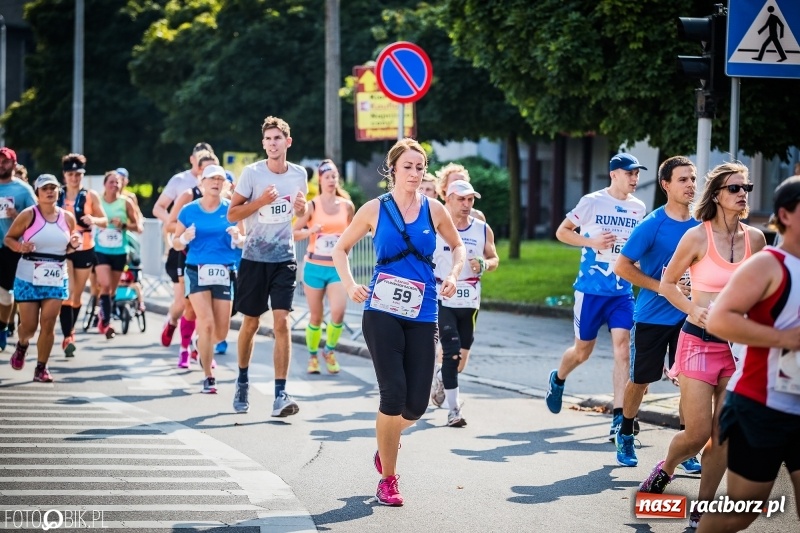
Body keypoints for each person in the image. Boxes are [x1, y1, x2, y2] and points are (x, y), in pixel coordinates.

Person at [332, 138, 465, 506]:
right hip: (381, 310)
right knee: (392, 394)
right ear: (392, 170)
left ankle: (386, 440)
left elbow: (458, 245)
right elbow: (340, 248)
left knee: (416, 407)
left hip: (423, 313)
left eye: (420, 167)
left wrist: (453, 273)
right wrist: (349, 284)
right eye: (408, 166)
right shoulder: (375, 209)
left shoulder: (435, 209)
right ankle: (388, 479)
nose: (415, 173)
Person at [638, 162, 766, 530]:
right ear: (717, 195)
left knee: (723, 434)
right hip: (698, 341)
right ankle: (666, 468)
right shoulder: (696, 237)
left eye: (747, 187)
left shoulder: (756, 240)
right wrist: (695, 309)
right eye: (734, 188)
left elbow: (763, 288)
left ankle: (702, 509)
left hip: (738, 348)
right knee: (696, 434)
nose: (743, 194)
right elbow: (668, 283)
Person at [699, 176, 800, 533]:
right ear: (786, 215)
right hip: (762, 406)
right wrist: (784, 337)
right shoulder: (770, 263)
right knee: (739, 514)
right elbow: (720, 320)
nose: (742, 194)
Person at [545, 153, 646, 438]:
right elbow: (562, 232)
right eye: (630, 173)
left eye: (637, 174)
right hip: (590, 291)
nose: (635, 179)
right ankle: (559, 378)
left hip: (621, 291)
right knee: (582, 351)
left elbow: (634, 247)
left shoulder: (639, 208)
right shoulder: (592, 201)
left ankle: (618, 417)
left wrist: (637, 263)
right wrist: (591, 241)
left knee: (623, 349)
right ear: (614, 174)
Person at [613, 156, 702, 470]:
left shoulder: (701, 226)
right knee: (640, 381)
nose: (691, 184)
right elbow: (622, 267)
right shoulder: (652, 225)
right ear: (666, 185)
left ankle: (687, 446)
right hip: (651, 317)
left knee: (691, 383)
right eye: (683, 179)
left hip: (688, 318)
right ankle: (624, 431)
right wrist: (663, 286)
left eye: (693, 179)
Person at [227, 116, 307, 416]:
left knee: (282, 322)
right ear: (263, 144)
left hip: (284, 258)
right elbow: (232, 214)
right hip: (254, 259)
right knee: (250, 323)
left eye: (278, 138)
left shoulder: (299, 174)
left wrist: (303, 209)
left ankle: (279, 394)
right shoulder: (252, 173)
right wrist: (260, 201)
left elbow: (302, 209)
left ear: (288, 141)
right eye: (268, 139)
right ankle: (243, 379)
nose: (273, 143)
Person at [432, 179, 498, 427]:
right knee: (450, 351)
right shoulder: (435, 225)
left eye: (470, 199)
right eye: (461, 199)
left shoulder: (482, 229)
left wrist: (484, 264)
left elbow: (493, 258)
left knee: (460, 359)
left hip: (470, 300)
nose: (466, 204)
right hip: (442, 295)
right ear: (447, 199)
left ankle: (442, 377)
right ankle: (453, 410)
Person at [173, 164, 245, 394]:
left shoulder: (232, 210)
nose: (216, 183)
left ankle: (199, 344)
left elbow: (245, 240)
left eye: (220, 179)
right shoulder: (188, 210)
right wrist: (183, 238)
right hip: (196, 269)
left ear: (225, 185)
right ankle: (208, 377)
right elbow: (174, 242)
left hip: (224, 270)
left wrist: (238, 237)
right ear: (201, 183)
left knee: (221, 332)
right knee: (205, 323)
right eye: (211, 179)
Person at [5, 174, 81, 381]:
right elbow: (9, 238)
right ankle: (22, 345)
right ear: (37, 192)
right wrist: (21, 246)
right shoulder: (28, 215)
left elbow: (68, 248)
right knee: (29, 326)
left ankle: (41, 367)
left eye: (53, 188)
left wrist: (74, 244)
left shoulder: (67, 217)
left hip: (55, 275)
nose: (49, 192)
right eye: (45, 188)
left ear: (58, 191)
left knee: (48, 323)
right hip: (28, 274)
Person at [293, 159, 354, 375]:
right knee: (316, 316)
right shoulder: (313, 206)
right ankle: (312, 356)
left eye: (335, 176)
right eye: (328, 177)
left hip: (337, 268)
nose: (331, 180)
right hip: (314, 268)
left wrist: (346, 245)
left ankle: (329, 350)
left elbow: (353, 233)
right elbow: (293, 232)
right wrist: (311, 232)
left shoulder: (347, 206)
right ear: (320, 179)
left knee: (338, 312)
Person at [153, 143, 214, 350]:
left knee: (203, 306)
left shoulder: (220, 188)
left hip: (208, 255)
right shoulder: (182, 184)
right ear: (194, 163)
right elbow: (160, 211)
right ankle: (172, 323)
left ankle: (198, 345)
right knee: (182, 303)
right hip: (180, 250)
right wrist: (180, 228)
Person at [165, 152, 219, 367]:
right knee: (187, 305)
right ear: (199, 175)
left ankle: (202, 348)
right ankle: (183, 346)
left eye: (216, 173)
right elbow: (170, 224)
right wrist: (186, 234)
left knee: (210, 310)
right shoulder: (188, 196)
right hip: (187, 256)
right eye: (206, 172)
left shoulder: (224, 200)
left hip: (215, 261)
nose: (214, 179)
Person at [57, 154, 106, 357]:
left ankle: (71, 330)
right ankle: (67, 336)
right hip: (63, 247)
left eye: (78, 174)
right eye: (70, 174)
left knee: (77, 296)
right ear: (64, 175)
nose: (74, 178)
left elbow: (104, 219)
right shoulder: (56, 194)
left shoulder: (90, 196)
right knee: (67, 293)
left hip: (85, 248)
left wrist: (93, 218)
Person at [94, 171, 143, 339]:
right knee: (105, 285)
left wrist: (123, 225)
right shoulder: (97, 201)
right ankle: (106, 322)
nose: (114, 185)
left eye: (118, 182)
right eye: (111, 182)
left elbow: (138, 227)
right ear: (105, 183)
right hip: (100, 250)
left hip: (120, 251)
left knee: (112, 290)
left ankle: (103, 313)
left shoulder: (126, 203)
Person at [0, 147, 36, 351]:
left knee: (6, 294)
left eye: (5, 161)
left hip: (12, 247)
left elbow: (37, 218)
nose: (1, 164)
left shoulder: (23, 190)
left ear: (14, 164)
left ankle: (3, 327)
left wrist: (17, 214)